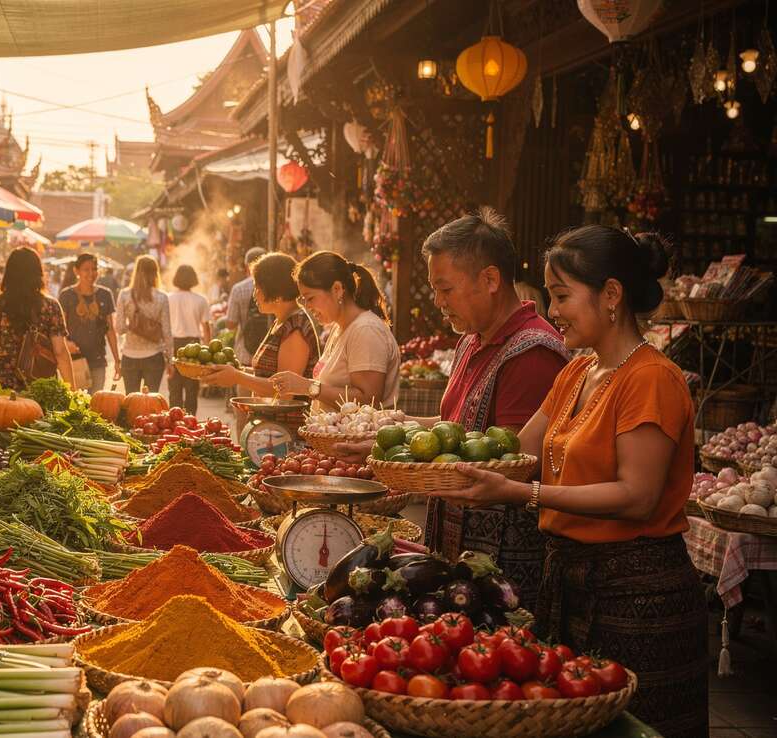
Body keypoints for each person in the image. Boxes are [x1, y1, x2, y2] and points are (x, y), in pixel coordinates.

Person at [436, 226, 706, 738]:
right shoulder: (577, 372)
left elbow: (637, 496)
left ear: (611, 295)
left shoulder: (651, 378)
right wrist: (415, 451)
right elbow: (516, 452)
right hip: (569, 583)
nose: (553, 310)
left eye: (562, 296)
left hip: (636, 597)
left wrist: (524, 494)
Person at [405, 210, 570, 610]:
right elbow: (457, 429)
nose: (438, 302)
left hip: (499, 565)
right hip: (458, 551)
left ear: (491, 279)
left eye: (445, 289)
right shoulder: (472, 339)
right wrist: (399, 427)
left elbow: (512, 460)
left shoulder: (532, 352)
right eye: (434, 290)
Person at [272, 251, 400, 409]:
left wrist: (307, 387)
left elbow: (367, 400)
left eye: (310, 298)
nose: (308, 306)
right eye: (304, 300)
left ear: (337, 289)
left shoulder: (366, 330)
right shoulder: (339, 328)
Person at [200, 252, 319, 396]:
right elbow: (266, 375)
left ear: (275, 291)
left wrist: (237, 377)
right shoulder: (282, 321)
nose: (254, 294)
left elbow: (285, 392)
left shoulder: (296, 329)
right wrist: (235, 371)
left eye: (257, 288)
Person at [0, 247, 74, 391]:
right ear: (38, 273)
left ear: (9, 273)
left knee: (1, 407)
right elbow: (60, 352)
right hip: (40, 382)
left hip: (3, 381)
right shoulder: (50, 306)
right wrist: (72, 391)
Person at [58, 253, 120, 393]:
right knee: (76, 400)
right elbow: (60, 328)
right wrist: (67, 343)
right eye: (86, 269)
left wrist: (117, 360)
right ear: (76, 271)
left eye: (94, 269)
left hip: (98, 360)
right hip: (74, 360)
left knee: (97, 401)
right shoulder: (66, 296)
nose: (91, 273)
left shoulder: (105, 294)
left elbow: (110, 329)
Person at [116, 255, 172, 394]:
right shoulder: (162, 297)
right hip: (154, 356)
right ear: (155, 273)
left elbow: (120, 329)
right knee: (151, 402)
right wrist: (170, 360)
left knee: (131, 401)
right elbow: (167, 332)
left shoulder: (124, 295)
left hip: (129, 355)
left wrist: (132, 326)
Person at [166, 264, 211, 414]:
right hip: (194, 346)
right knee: (192, 388)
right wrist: (208, 352)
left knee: (174, 387)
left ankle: (175, 420)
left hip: (174, 344)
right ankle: (190, 420)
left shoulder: (168, 298)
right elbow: (206, 328)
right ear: (194, 279)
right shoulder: (201, 300)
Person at [225, 247, 271, 371]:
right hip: (270, 354)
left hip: (245, 354)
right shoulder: (274, 287)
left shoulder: (238, 289)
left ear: (246, 266)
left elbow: (231, 324)